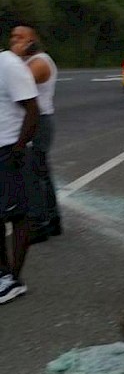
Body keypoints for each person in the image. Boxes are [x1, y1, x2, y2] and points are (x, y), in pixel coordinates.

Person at [9, 24, 62, 243]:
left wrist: (14, 56)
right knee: (41, 172)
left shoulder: (41, 62)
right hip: (33, 122)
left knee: (34, 174)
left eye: (21, 37)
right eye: (13, 37)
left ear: (33, 40)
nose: (15, 40)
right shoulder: (24, 63)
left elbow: (16, 84)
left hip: (39, 123)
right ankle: (52, 220)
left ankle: (40, 224)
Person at [0, 40, 39, 304]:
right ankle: (3, 273)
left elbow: (33, 109)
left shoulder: (9, 65)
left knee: (17, 214)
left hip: (9, 148)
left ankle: (14, 278)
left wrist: (19, 148)